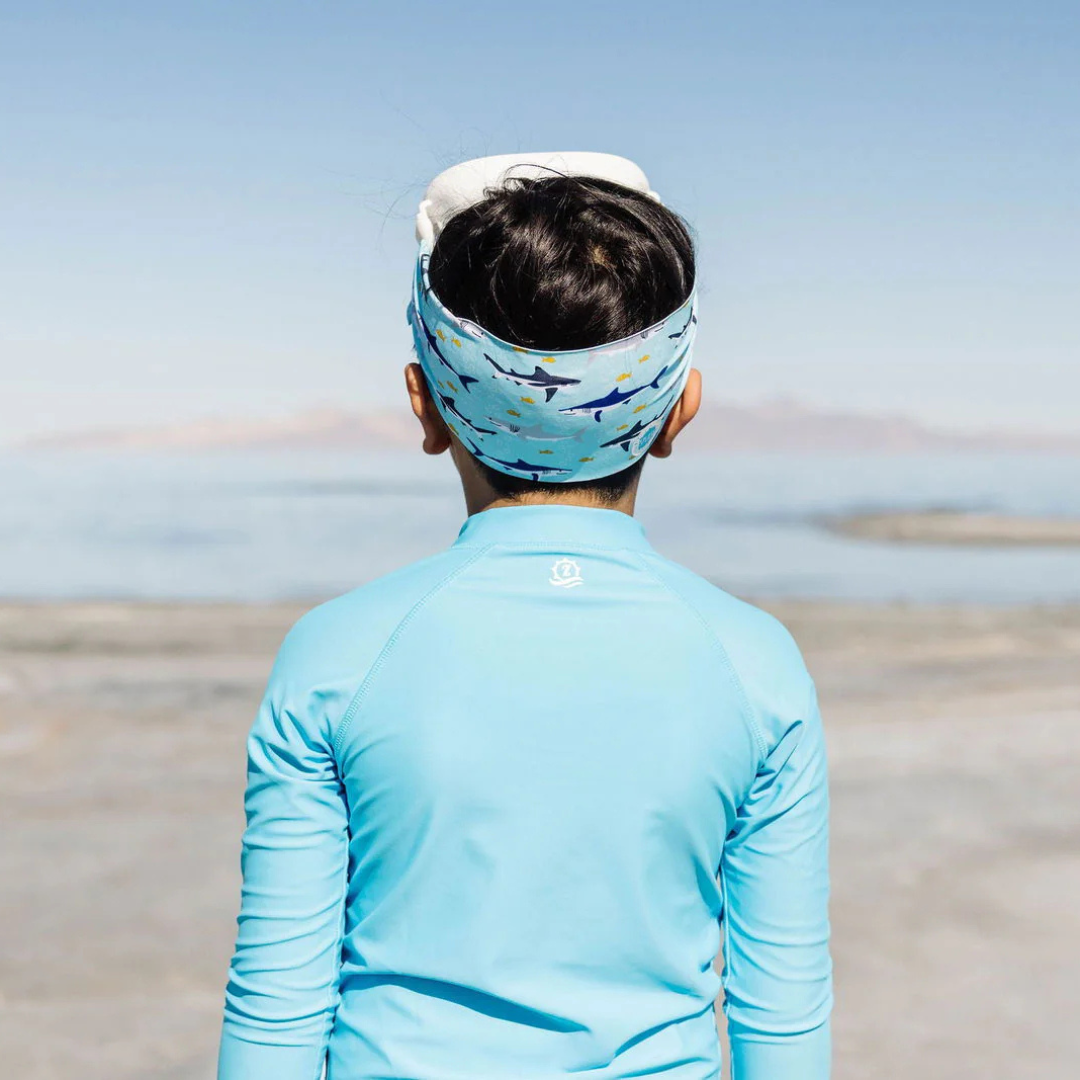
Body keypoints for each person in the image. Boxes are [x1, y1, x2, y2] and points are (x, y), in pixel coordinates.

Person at [217, 152, 832, 1080]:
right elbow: (780, 1019)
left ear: (425, 408)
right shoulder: (756, 663)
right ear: (679, 412)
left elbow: (276, 1008)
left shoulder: (337, 652)